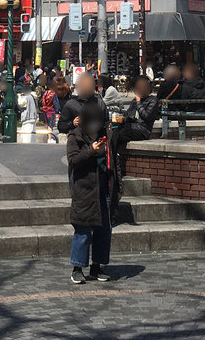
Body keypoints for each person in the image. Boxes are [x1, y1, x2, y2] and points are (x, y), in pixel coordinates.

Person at [66, 103, 113, 284]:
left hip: (103, 187)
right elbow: (73, 160)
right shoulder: (75, 137)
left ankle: (97, 266)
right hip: (84, 189)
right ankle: (77, 267)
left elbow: (113, 164)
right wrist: (90, 151)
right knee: (83, 229)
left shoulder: (106, 137)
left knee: (104, 230)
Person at [108, 75, 160, 218]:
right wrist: (122, 118)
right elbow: (129, 116)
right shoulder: (134, 101)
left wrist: (138, 103)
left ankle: (113, 160)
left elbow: (147, 117)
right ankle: (112, 158)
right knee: (114, 133)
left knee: (117, 135)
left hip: (142, 130)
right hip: (130, 128)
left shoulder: (153, 101)